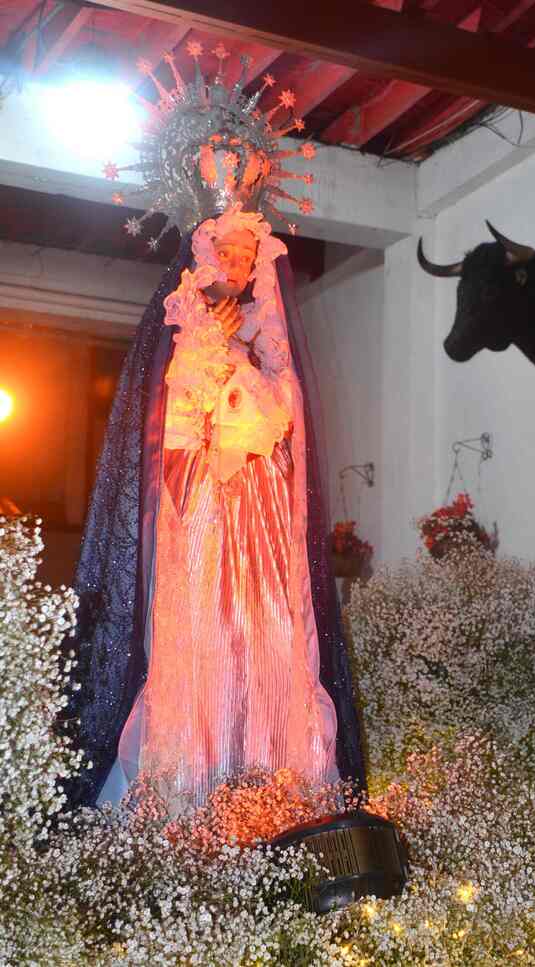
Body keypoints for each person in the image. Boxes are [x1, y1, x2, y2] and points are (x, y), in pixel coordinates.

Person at [65, 208, 365, 810]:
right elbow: (173, 437)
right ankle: (195, 789)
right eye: (224, 250)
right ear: (203, 255)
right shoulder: (184, 335)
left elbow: (286, 435)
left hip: (264, 521)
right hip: (208, 509)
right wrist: (206, 345)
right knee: (209, 642)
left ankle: (275, 785)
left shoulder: (261, 350)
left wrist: (263, 370)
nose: (235, 262)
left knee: (268, 642)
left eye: (245, 255)